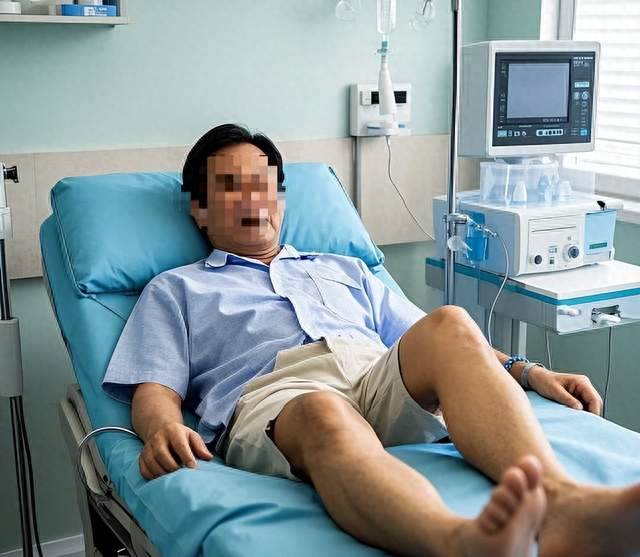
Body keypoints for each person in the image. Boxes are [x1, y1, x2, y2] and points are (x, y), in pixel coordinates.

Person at [103, 123, 640, 557]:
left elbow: (444, 344)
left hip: (374, 375)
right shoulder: (176, 289)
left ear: (281, 198)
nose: (253, 198)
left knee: (451, 321)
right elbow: (156, 387)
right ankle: (459, 542)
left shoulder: (345, 267)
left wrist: (529, 371)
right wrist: (163, 428)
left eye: (263, 183)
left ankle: (564, 506)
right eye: (230, 186)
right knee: (322, 411)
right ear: (198, 208)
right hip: (282, 398)